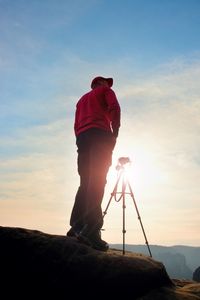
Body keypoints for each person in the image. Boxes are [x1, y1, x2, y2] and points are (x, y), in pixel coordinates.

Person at [67, 76, 121, 251]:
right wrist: (115, 132)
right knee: (97, 182)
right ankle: (91, 230)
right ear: (98, 83)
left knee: (85, 182)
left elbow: (75, 124)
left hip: (82, 138)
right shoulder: (106, 91)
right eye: (106, 82)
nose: (108, 84)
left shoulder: (81, 100)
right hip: (100, 135)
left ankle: (76, 225)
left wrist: (79, 139)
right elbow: (114, 108)